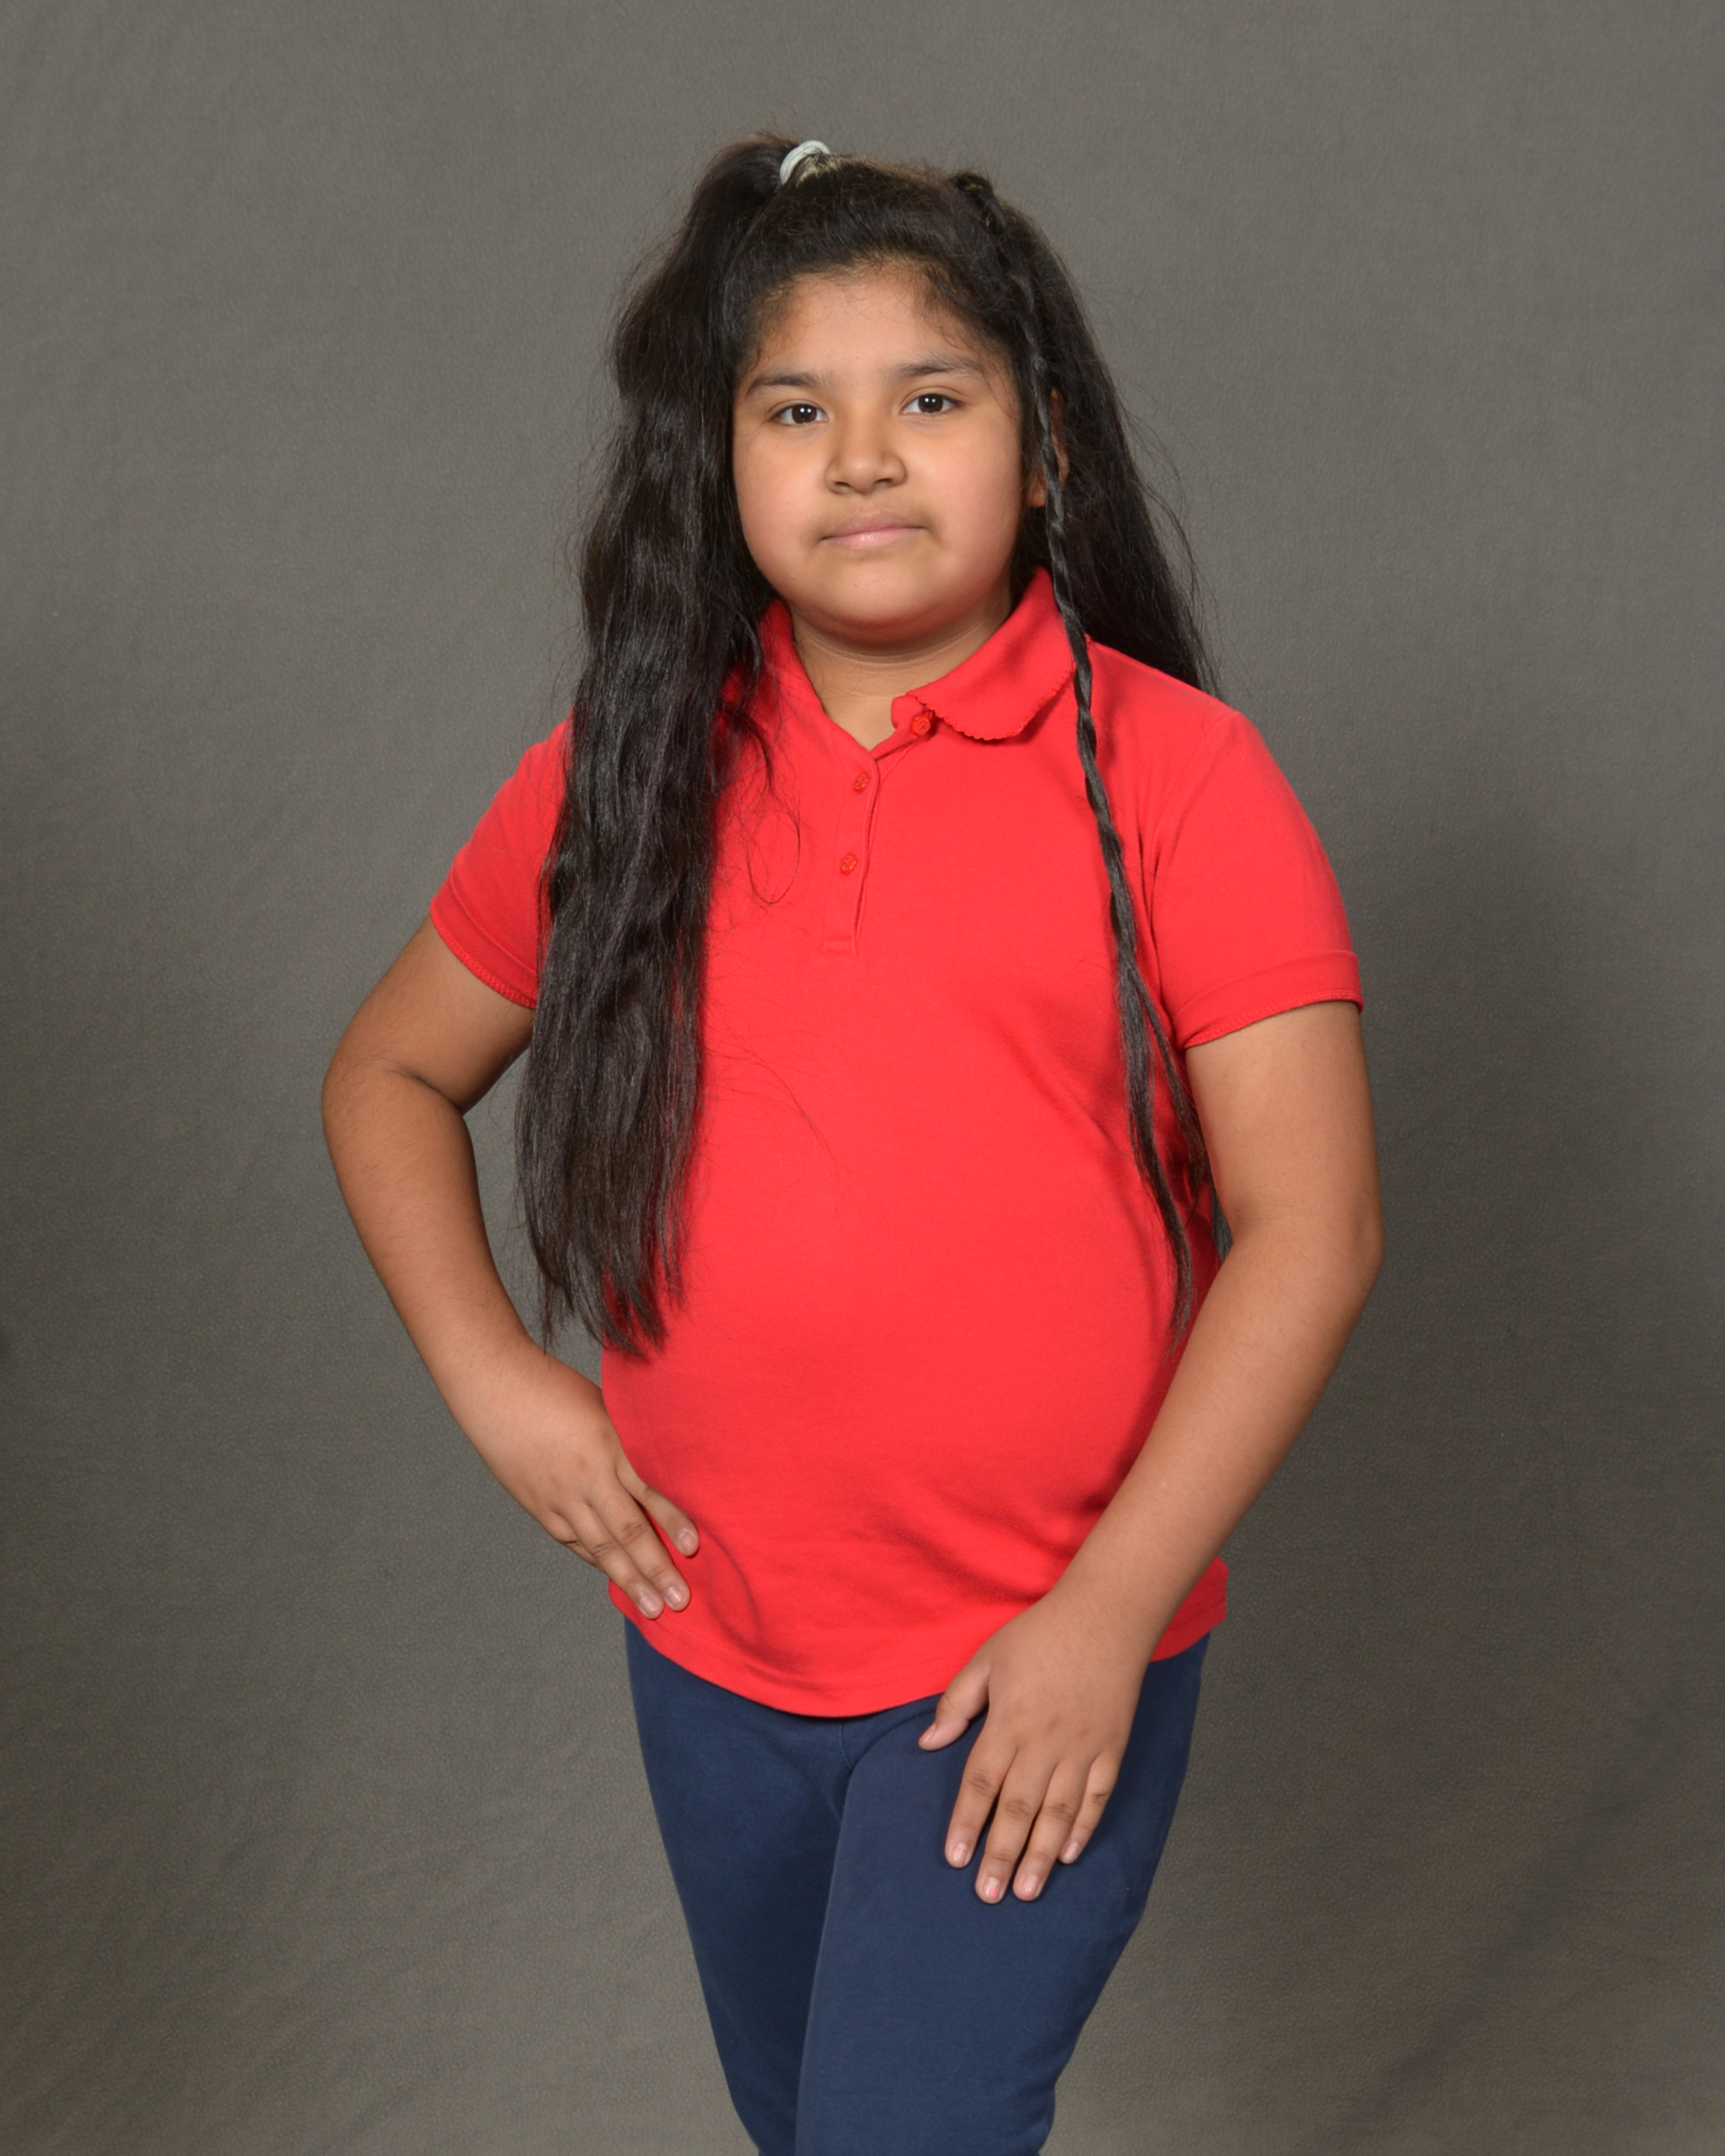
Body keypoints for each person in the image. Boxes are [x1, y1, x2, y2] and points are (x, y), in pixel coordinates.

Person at [321, 134, 1383, 2156]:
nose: (865, 459)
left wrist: (1104, 1617)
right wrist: (494, 1378)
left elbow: (1313, 1229)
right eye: (796, 411)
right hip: (714, 1654)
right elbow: (386, 1074)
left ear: (1045, 448)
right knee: (809, 2126)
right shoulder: (628, 773)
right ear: (718, 464)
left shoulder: (1184, 780)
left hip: (1030, 1663)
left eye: (934, 400)